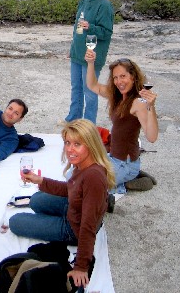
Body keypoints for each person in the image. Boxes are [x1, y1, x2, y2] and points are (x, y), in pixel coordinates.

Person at [9, 119, 115, 289]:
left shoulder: (93, 177)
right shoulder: (85, 163)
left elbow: (87, 226)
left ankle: (98, 203)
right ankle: (101, 202)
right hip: (74, 207)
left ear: (91, 145)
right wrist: (40, 180)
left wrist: (81, 266)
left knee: (15, 222)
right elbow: (71, 188)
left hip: (74, 228)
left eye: (77, 144)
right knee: (36, 199)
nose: (70, 149)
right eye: (67, 143)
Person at [85, 51, 159, 192]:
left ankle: (130, 178)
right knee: (76, 173)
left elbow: (152, 137)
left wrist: (151, 106)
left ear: (133, 77)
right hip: (113, 158)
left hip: (125, 164)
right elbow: (92, 85)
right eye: (115, 78)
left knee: (91, 185)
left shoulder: (138, 102)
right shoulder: (117, 95)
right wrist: (90, 63)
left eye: (123, 76)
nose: (119, 81)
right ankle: (131, 176)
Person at [65, 0, 114, 124]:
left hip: (91, 56)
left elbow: (106, 32)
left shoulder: (104, 4)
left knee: (90, 91)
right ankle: (74, 121)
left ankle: (89, 125)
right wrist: (73, 48)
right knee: (76, 89)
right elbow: (78, 29)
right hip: (77, 53)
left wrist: (90, 27)